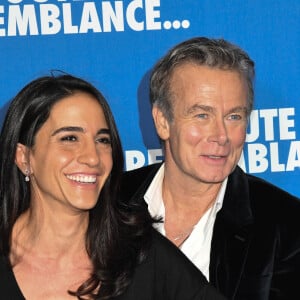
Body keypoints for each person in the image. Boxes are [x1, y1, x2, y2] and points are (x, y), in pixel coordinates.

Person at [0, 73, 226, 299]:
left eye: (102, 140)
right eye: (69, 138)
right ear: (24, 157)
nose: (92, 158)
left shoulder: (142, 257)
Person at [121, 37, 300, 299]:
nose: (221, 135)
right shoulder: (109, 202)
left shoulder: (286, 227)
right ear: (162, 121)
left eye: (234, 117)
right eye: (202, 115)